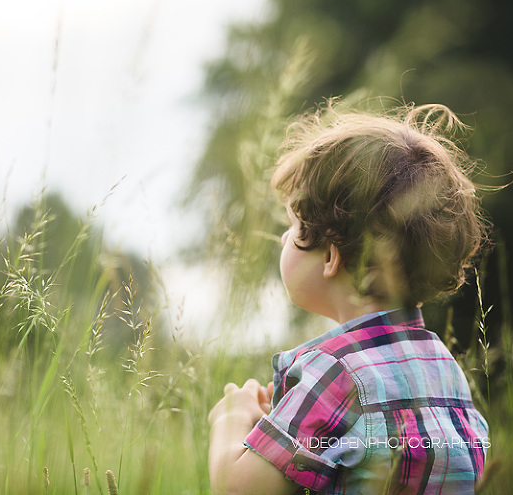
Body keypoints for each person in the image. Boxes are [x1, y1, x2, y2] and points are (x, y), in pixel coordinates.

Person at [207, 101, 490, 494]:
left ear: (330, 256)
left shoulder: (333, 373)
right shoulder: (448, 375)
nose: (284, 238)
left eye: (292, 225)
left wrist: (232, 419)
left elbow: (240, 489)